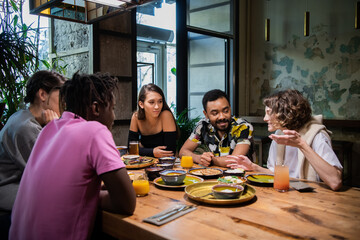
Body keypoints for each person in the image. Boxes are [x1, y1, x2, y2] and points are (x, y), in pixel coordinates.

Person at [9, 73, 136, 239]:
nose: (113, 117)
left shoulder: (49, 129)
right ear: (96, 108)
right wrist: (90, 195)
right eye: (112, 109)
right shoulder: (95, 131)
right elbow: (126, 203)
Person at [226, 89, 343, 191]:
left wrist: (302, 145)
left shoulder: (317, 136)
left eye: (268, 113)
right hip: (287, 193)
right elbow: (277, 175)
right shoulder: (279, 135)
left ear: (285, 113)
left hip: (315, 198)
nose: (265, 118)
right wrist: (253, 167)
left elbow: (335, 182)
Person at [0, 70, 65, 238]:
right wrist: (55, 128)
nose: (65, 103)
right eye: (61, 95)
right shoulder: (25, 128)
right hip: (8, 205)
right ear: (43, 94)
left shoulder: (22, 117)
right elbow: (54, 175)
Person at [179, 89, 254, 167]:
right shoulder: (203, 126)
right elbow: (183, 151)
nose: (222, 117)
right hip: (215, 175)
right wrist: (199, 158)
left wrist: (210, 160)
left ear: (230, 109)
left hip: (241, 176)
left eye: (226, 111)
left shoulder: (243, 127)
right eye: (215, 113)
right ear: (206, 114)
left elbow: (234, 161)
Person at [128, 83, 178, 158]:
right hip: (145, 162)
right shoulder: (136, 117)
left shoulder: (165, 115)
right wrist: (152, 152)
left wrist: (142, 150)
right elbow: (130, 148)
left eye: (160, 101)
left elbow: (170, 151)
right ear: (141, 104)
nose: (157, 106)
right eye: (151, 102)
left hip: (167, 163)